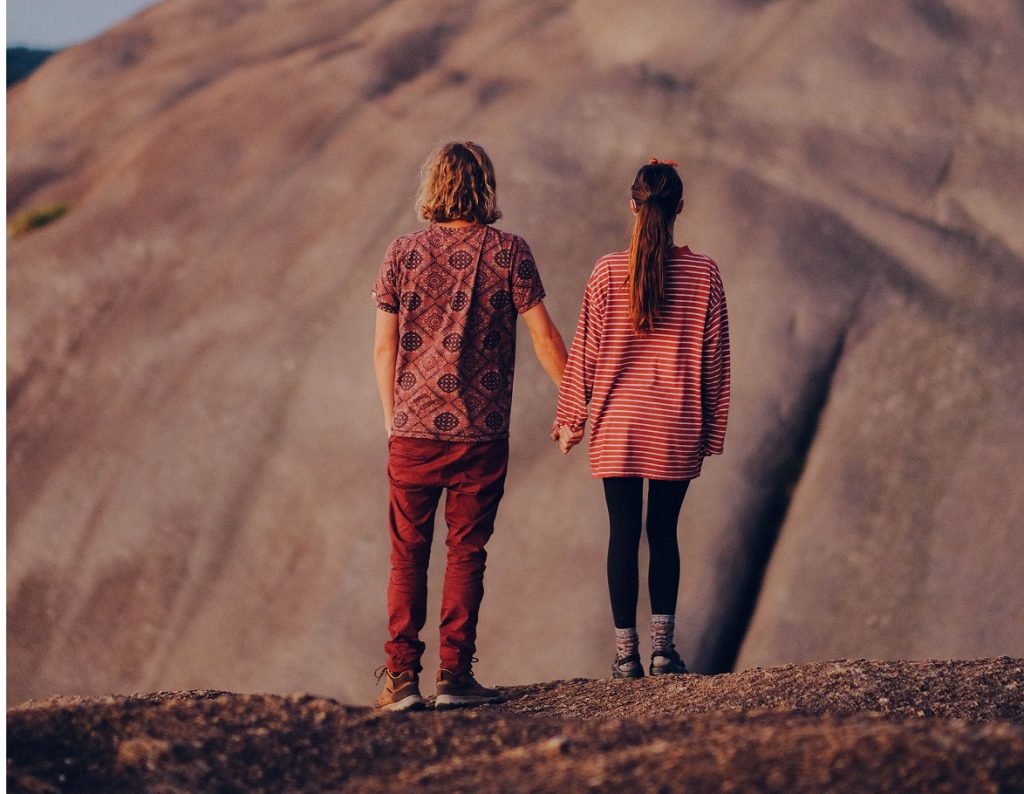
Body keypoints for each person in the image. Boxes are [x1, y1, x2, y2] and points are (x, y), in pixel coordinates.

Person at [372, 141, 568, 710]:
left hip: (411, 431)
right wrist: (578, 403)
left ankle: (401, 678)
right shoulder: (509, 252)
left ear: (432, 187)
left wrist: (393, 420)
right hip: (481, 434)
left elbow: (384, 349)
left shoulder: (401, 253)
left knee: (407, 552)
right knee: (466, 552)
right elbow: (543, 336)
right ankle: (454, 677)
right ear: (485, 186)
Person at [553, 159, 730, 679]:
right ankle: (662, 651)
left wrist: (570, 418)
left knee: (622, 534)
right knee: (665, 533)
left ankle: (625, 656)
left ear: (633, 206)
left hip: (617, 425)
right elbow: (715, 358)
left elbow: (584, 350)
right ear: (680, 208)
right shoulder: (704, 274)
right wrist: (712, 432)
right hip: (675, 425)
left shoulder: (607, 270)